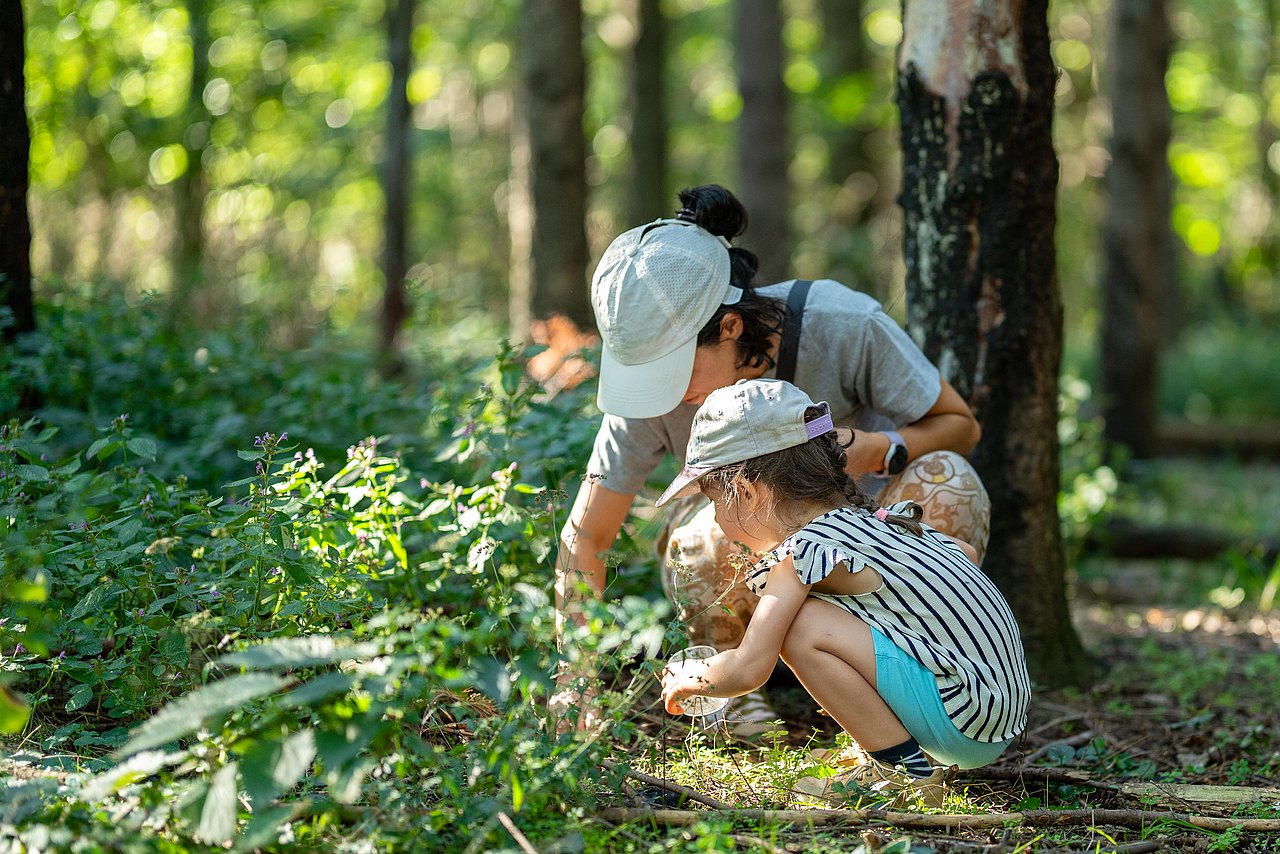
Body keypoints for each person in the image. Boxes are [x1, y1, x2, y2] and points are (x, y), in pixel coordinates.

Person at [553, 184, 990, 735]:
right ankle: (732, 696)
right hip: (751, 586)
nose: (666, 394)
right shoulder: (650, 396)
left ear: (730, 327)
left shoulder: (842, 324)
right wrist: (576, 679)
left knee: (950, 480)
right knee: (702, 534)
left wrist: (880, 448)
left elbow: (960, 425)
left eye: (675, 371)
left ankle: (924, 691)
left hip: (870, 561)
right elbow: (586, 535)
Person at [657, 379, 1030, 805]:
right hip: (1000, 710)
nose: (716, 518)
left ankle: (905, 775)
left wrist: (692, 676)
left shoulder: (799, 555)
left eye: (714, 501)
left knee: (799, 627)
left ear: (746, 492)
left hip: (962, 723)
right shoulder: (882, 523)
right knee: (832, 617)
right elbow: (965, 552)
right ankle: (890, 750)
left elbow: (749, 668)